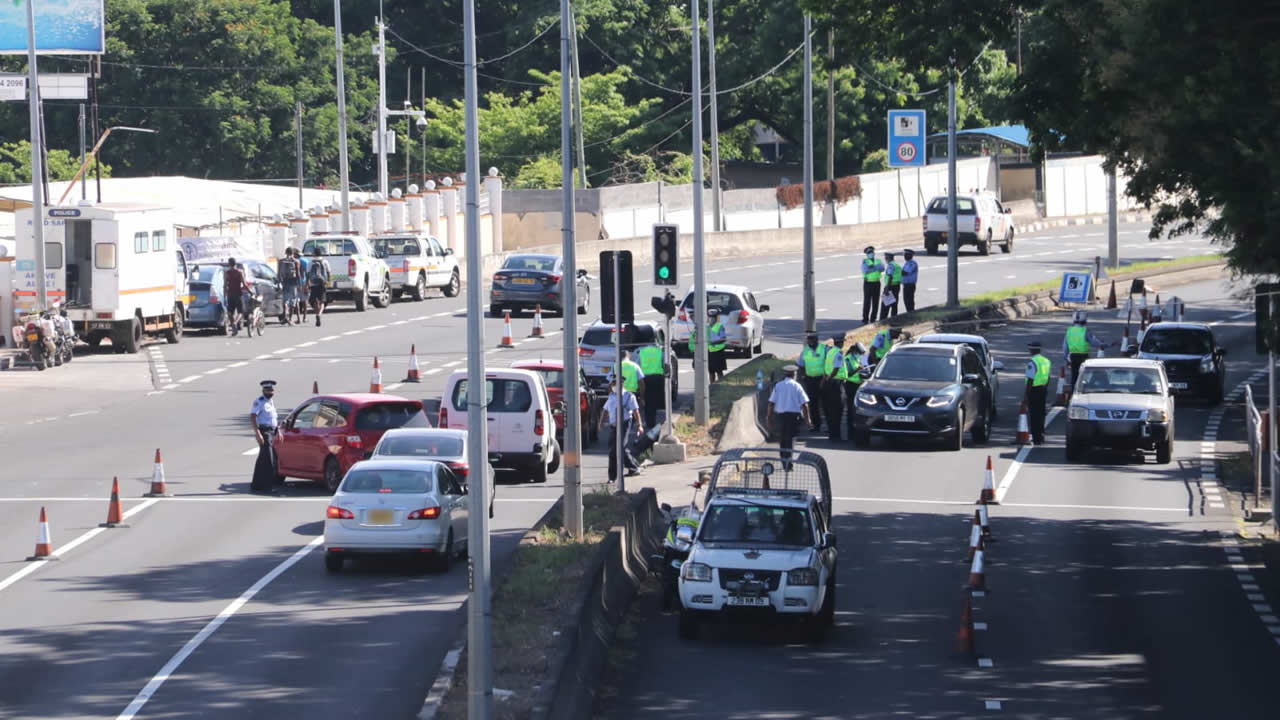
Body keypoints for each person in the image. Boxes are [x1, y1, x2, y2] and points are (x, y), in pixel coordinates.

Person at [767, 364, 810, 471]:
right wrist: (807, 419)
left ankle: (783, 460)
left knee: (782, 439)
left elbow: (771, 403)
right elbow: (805, 404)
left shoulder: (778, 386)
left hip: (780, 417)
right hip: (793, 417)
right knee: (790, 440)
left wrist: (769, 418)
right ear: (794, 374)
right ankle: (789, 462)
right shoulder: (797, 386)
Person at [599, 374, 642, 481]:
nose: (613, 385)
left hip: (625, 423)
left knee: (621, 447)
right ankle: (612, 477)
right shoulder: (611, 396)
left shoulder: (628, 396)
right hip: (614, 426)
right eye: (612, 383)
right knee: (612, 450)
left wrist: (640, 425)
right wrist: (601, 423)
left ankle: (633, 467)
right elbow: (605, 410)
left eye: (615, 383)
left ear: (621, 384)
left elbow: (636, 411)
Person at [250, 380, 281, 494]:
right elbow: (253, 417)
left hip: (272, 431)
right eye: (268, 390)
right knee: (269, 459)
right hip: (264, 432)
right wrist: (258, 433)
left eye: (272, 390)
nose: (270, 391)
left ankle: (257, 484)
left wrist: (279, 431)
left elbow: (273, 418)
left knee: (262, 458)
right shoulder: (259, 402)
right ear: (263, 390)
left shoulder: (271, 401)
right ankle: (268, 486)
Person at [1063, 311, 1107, 385]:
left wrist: (1066, 358)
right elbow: (1093, 342)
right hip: (1083, 356)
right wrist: (1102, 344)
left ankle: (1073, 392)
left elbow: (1065, 346)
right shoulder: (1085, 331)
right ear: (1084, 320)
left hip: (1073, 356)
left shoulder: (1069, 331)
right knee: (1084, 376)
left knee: (1074, 376)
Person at [797, 333, 828, 432]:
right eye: (809, 339)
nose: (810, 341)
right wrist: (803, 376)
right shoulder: (805, 351)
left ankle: (828, 425)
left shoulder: (824, 349)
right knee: (813, 404)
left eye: (812, 339)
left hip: (823, 379)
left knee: (826, 403)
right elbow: (800, 365)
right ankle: (816, 425)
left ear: (817, 339)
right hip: (810, 380)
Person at [839, 341, 869, 442]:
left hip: (858, 385)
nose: (860, 355)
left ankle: (856, 431)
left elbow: (860, 366)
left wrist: (864, 369)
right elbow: (849, 373)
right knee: (851, 410)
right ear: (855, 350)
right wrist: (858, 369)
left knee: (857, 409)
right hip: (850, 386)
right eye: (859, 353)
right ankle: (850, 433)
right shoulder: (847, 359)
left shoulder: (857, 357)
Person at [689, 308, 728, 382]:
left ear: (716, 318)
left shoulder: (719, 326)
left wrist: (714, 342)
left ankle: (721, 386)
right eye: (710, 317)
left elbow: (723, 339)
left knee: (719, 372)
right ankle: (712, 387)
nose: (711, 319)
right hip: (709, 352)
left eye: (713, 317)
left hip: (718, 352)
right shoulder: (706, 327)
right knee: (711, 371)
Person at [1024, 342, 1051, 445]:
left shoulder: (1032, 362)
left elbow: (1030, 380)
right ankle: (1041, 435)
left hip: (1034, 391)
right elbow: (1048, 377)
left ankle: (1036, 438)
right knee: (1041, 413)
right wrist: (1044, 387)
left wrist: (1026, 395)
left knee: (1034, 415)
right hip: (1043, 389)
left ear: (1032, 350)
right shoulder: (1046, 361)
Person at [821, 334, 847, 442]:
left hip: (829, 383)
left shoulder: (830, 351)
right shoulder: (838, 353)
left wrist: (826, 379)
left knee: (830, 410)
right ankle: (837, 436)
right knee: (838, 410)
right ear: (841, 342)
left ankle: (832, 435)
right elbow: (836, 368)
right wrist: (830, 378)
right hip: (835, 384)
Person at [636, 338, 667, 429]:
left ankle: (650, 421)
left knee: (648, 400)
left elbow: (638, 365)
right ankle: (659, 421)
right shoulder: (659, 351)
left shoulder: (642, 352)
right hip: (658, 378)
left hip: (646, 378)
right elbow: (665, 365)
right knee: (657, 399)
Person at [222, 257, 250, 335]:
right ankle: (235, 322)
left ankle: (234, 327)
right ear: (236, 263)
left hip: (230, 294)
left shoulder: (227, 273)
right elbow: (244, 285)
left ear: (229, 264)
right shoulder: (239, 272)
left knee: (230, 311)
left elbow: (224, 286)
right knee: (240, 312)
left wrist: (224, 296)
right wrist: (250, 292)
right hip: (238, 294)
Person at [306, 246, 330, 326]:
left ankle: (316, 313)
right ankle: (319, 314)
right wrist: (328, 282)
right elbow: (329, 272)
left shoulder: (310, 262)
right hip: (322, 283)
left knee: (313, 301)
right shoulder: (325, 262)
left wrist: (307, 283)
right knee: (323, 301)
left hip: (313, 283)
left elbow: (308, 274)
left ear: (314, 254)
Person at [277, 247, 301, 326]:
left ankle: (285, 316)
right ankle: (290, 319)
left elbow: (278, 273)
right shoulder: (296, 261)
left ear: (286, 252)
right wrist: (299, 284)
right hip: (293, 282)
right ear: (293, 253)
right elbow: (298, 274)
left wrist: (279, 282)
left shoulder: (281, 261)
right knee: (293, 300)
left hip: (285, 282)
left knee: (285, 300)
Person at [861, 246, 884, 324]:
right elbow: (866, 270)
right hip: (868, 283)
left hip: (877, 283)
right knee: (867, 301)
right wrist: (876, 268)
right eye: (869, 253)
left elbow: (882, 268)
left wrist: (872, 268)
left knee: (875, 301)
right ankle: (865, 319)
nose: (871, 254)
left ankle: (873, 318)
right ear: (867, 254)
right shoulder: (865, 261)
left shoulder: (878, 260)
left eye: (872, 252)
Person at [883, 251, 902, 318]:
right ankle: (894, 320)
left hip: (890, 286)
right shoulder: (897, 265)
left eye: (886, 257)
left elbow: (890, 276)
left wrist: (887, 288)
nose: (885, 259)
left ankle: (883, 321)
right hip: (897, 286)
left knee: (885, 306)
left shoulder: (891, 265)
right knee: (894, 305)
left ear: (889, 258)